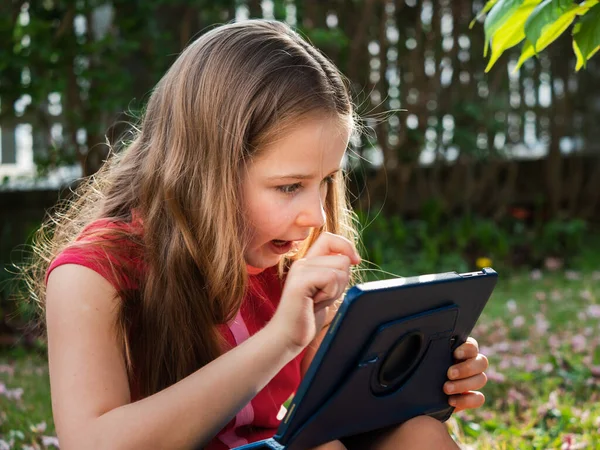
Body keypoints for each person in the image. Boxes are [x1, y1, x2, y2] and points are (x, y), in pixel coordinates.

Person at [27, 19, 489, 450]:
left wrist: (413, 379)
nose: (315, 216)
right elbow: (92, 443)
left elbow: (331, 417)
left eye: (326, 181)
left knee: (419, 434)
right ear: (205, 172)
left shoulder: (283, 262)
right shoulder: (93, 274)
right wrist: (278, 341)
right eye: (289, 186)